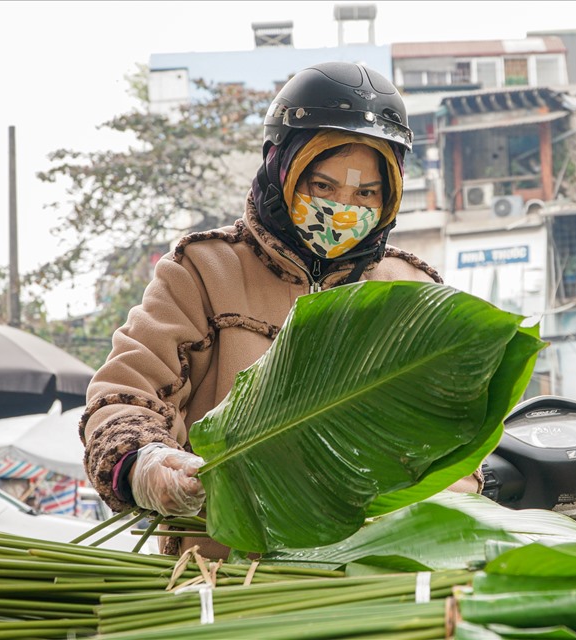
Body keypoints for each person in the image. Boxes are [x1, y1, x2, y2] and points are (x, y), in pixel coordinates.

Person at [79, 62, 483, 559]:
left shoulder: (414, 293)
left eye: (366, 193)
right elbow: (124, 394)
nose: (343, 209)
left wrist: (441, 501)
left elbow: (453, 443)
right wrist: (145, 463)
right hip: (224, 582)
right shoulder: (204, 271)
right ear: (281, 168)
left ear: (391, 195)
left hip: (374, 586)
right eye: (323, 186)